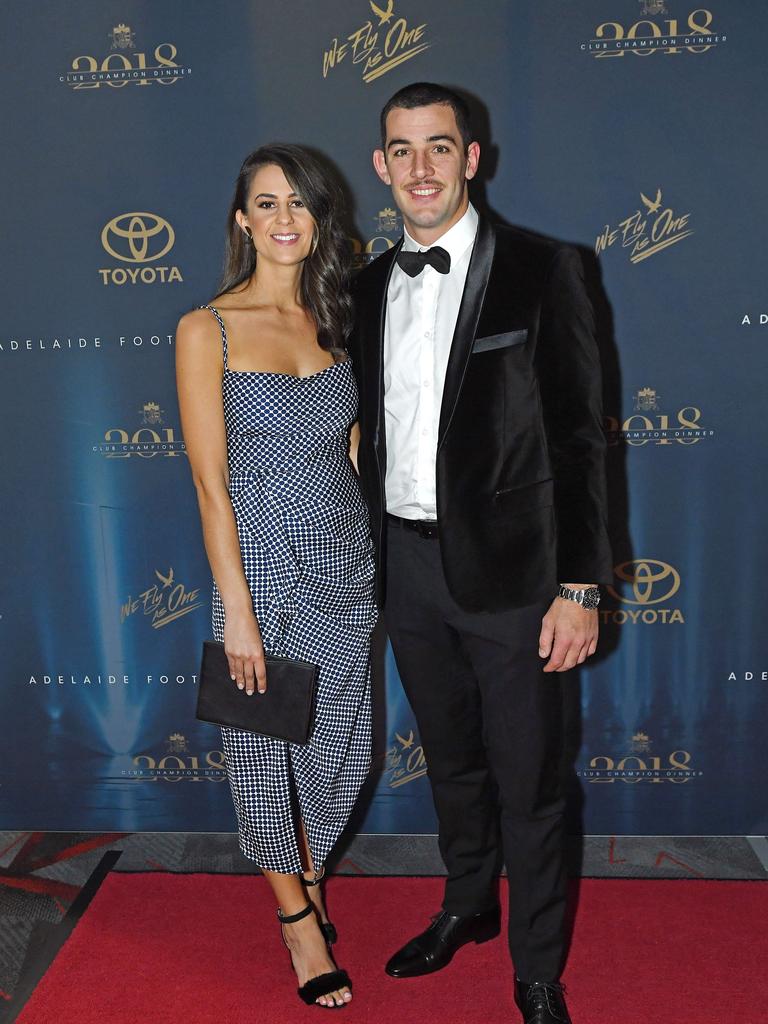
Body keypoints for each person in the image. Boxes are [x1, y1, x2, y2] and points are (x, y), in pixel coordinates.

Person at [349, 83, 612, 1024]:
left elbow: (582, 440)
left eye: (439, 147)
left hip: (515, 581)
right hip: (407, 568)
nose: (420, 167)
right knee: (452, 761)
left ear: (472, 158)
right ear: (381, 166)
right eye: (401, 149)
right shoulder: (367, 285)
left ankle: (537, 969)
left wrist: (579, 584)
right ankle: (467, 904)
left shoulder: (547, 270)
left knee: (530, 778)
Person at [175, 144, 377, 1009]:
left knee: (342, 750)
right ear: (242, 220)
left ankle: (309, 877)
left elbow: (355, 453)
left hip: (344, 562)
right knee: (261, 751)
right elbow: (209, 486)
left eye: (299, 203)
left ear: (320, 218)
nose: (284, 219)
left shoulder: (340, 317)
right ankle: (300, 921)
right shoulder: (206, 327)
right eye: (266, 203)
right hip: (257, 563)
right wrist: (238, 613)